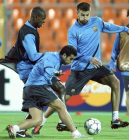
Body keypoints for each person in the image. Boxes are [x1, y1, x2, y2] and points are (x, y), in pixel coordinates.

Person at [32, 2, 129, 134]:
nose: (85, 18)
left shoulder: (97, 22)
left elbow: (109, 27)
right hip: (80, 69)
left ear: (90, 13)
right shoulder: (73, 31)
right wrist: (89, 58)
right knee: (64, 97)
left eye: (87, 15)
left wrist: (124, 29)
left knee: (115, 83)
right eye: (82, 15)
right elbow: (73, 53)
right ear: (77, 13)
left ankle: (115, 119)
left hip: (96, 66)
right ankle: (41, 122)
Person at [0, 6, 66, 138]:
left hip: (30, 68)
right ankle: (61, 123)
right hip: (27, 68)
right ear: (35, 17)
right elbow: (33, 56)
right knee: (57, 89)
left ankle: (21, 128)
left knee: (49, 94)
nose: (44, 22)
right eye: (42, 19)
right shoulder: (28, 33)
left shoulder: (31, 30)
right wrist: (49, 57)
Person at [5, 45, 93, 139]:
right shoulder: (51, 57)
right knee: (60, 106)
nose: (71, 62)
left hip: (28, 89)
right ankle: (76, 134)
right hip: (38, 87)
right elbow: (48, 68)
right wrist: (54, 72)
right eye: (70, 59)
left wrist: (52, 74)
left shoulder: (55, 60)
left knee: (37, 120)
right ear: (64, 55)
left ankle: (14, 128)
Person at [110, 9, 129, 116]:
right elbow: (115, 49)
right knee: (128, 92)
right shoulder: (122, 32)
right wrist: (112, 63)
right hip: (126, 66)